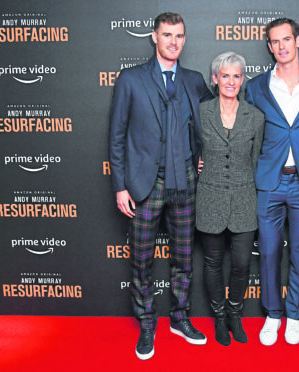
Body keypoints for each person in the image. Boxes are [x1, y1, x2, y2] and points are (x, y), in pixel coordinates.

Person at [108, 12, 213, 360]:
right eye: (167, 34)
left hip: (185, 181)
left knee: (183, 257)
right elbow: (117, 137)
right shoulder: (131, 79)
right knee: (141, 260)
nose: (174, 41)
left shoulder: (194, 81)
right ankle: (147, 323)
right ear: (154, 37)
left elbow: (207, 124)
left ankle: (180, 318)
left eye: (179, 35)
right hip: (143, 185)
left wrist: (199, 155)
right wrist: (120, 186)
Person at [245, 18, 299, 346]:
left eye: (286, 40)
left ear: (298, 40)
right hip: (269, 181)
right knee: (267, 251)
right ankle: (273, 314)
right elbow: (245, 133)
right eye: (275, 41)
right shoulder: (255, 86)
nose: (281, 46)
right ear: (269, 46)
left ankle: (294, 314)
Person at [196, 52, 264, 346]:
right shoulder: (200, 112)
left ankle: (236, 315)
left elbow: (255, 160)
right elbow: (189, 149)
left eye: (237, 76)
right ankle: (219, 318)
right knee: (212, 263)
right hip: (209, 197)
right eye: (225, 75)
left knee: (241, 264)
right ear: (215, 78)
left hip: (244, 199)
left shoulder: (256, 117)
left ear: (242, 80)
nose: (231, 81)